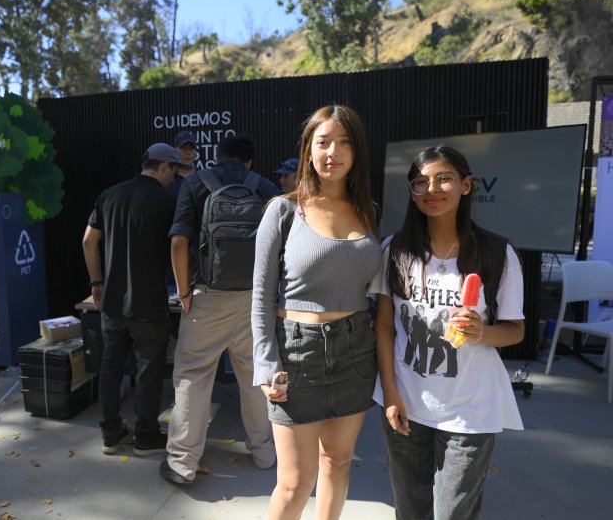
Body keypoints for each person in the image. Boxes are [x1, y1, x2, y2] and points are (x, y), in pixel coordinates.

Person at [373, 144, 525, 519]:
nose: (432, 189)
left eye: (444, 179)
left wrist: (480, 332)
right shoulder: (394, 250)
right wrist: (390, 392)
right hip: (407, 401)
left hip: (470, 407)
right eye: (421, 182)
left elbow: (515, 330)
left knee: (453, 512)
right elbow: (385, 327)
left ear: (466, 185)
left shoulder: (497, 253)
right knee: (410, 509)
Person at [251, 104, 382, 519]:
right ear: (308, 150)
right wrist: (265, 362)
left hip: (355, 351)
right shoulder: (284, 210)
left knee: (337, 462)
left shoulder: (368, 210)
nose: (333, 152)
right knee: (294, 483)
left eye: (344, 142)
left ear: (356, 151)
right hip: (297, 354)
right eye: (323, 142)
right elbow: (260, 296)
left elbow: (370, 284)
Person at [160, 134, 280, 485]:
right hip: (254, 300)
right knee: (255, 377)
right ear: (249, 162)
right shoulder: (264, 187)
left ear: (217, 158)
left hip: (207, 298)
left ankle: (183, 463)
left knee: (193, 375)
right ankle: (263, 451)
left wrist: (184, 293)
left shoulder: (195, 184)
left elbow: (179, 241)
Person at [82, 143, 181, 456]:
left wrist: (96, 282)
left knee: (110, 367)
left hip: (111, 303)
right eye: (174, 170)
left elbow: (88, 241)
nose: (174, 177)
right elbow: (178, 247)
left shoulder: (108, 195)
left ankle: (111, 436)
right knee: (148, 372)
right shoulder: (167, 202)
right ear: (164, 166)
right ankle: (146, 437)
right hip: (149, 304)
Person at [168, 131, 198, 198]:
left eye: (191, 148)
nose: (188, 152)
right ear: (175, 151)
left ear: (196, 152)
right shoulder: (167, 179)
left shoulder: (203, 177)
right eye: (183, 148)